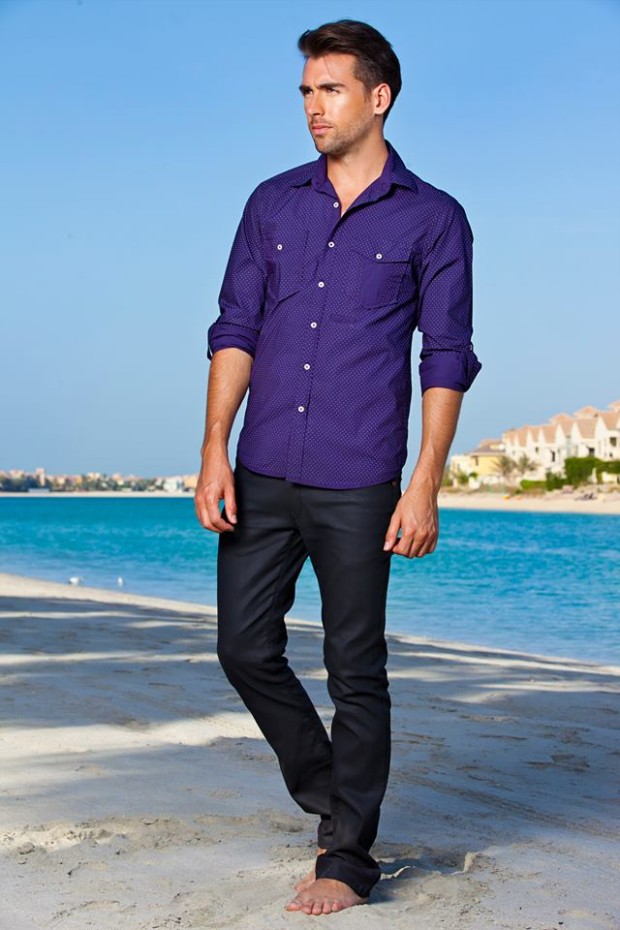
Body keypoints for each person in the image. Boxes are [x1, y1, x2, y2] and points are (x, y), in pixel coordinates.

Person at [195, 19, 481, 916]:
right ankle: (333, 793)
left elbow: (447, 354)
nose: (314, 108)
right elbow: (236, 328)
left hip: (360, 476)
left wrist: (425, 482)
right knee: (244, 648)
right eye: (306, 93)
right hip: (263, 463)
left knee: (356, 666)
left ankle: (348, 858)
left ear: (378, 97)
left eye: (331, 90)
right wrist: (213, 448)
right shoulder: (271, 204)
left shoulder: (434, 217)